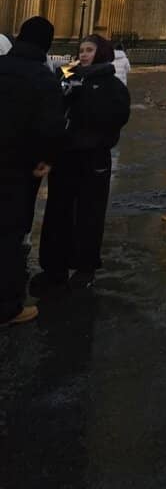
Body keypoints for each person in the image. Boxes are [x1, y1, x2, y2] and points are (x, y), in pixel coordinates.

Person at [32, 34, 130, 294]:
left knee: (89, 214)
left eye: (90, 50)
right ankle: (54, 267)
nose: (84, 54)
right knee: (58, 211)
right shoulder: (67, 76)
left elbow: (118, 117)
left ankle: (85, 268)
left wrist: (85, 107)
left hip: (93, 157)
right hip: (65, 155)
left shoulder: (111, 84)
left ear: (101, 52)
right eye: (82, 50)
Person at [0, 17, 66, 325]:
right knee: (10, 234)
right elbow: (50, 128)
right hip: (16, 167)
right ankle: (7, 307)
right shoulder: (44, 80)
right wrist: (46, 159)